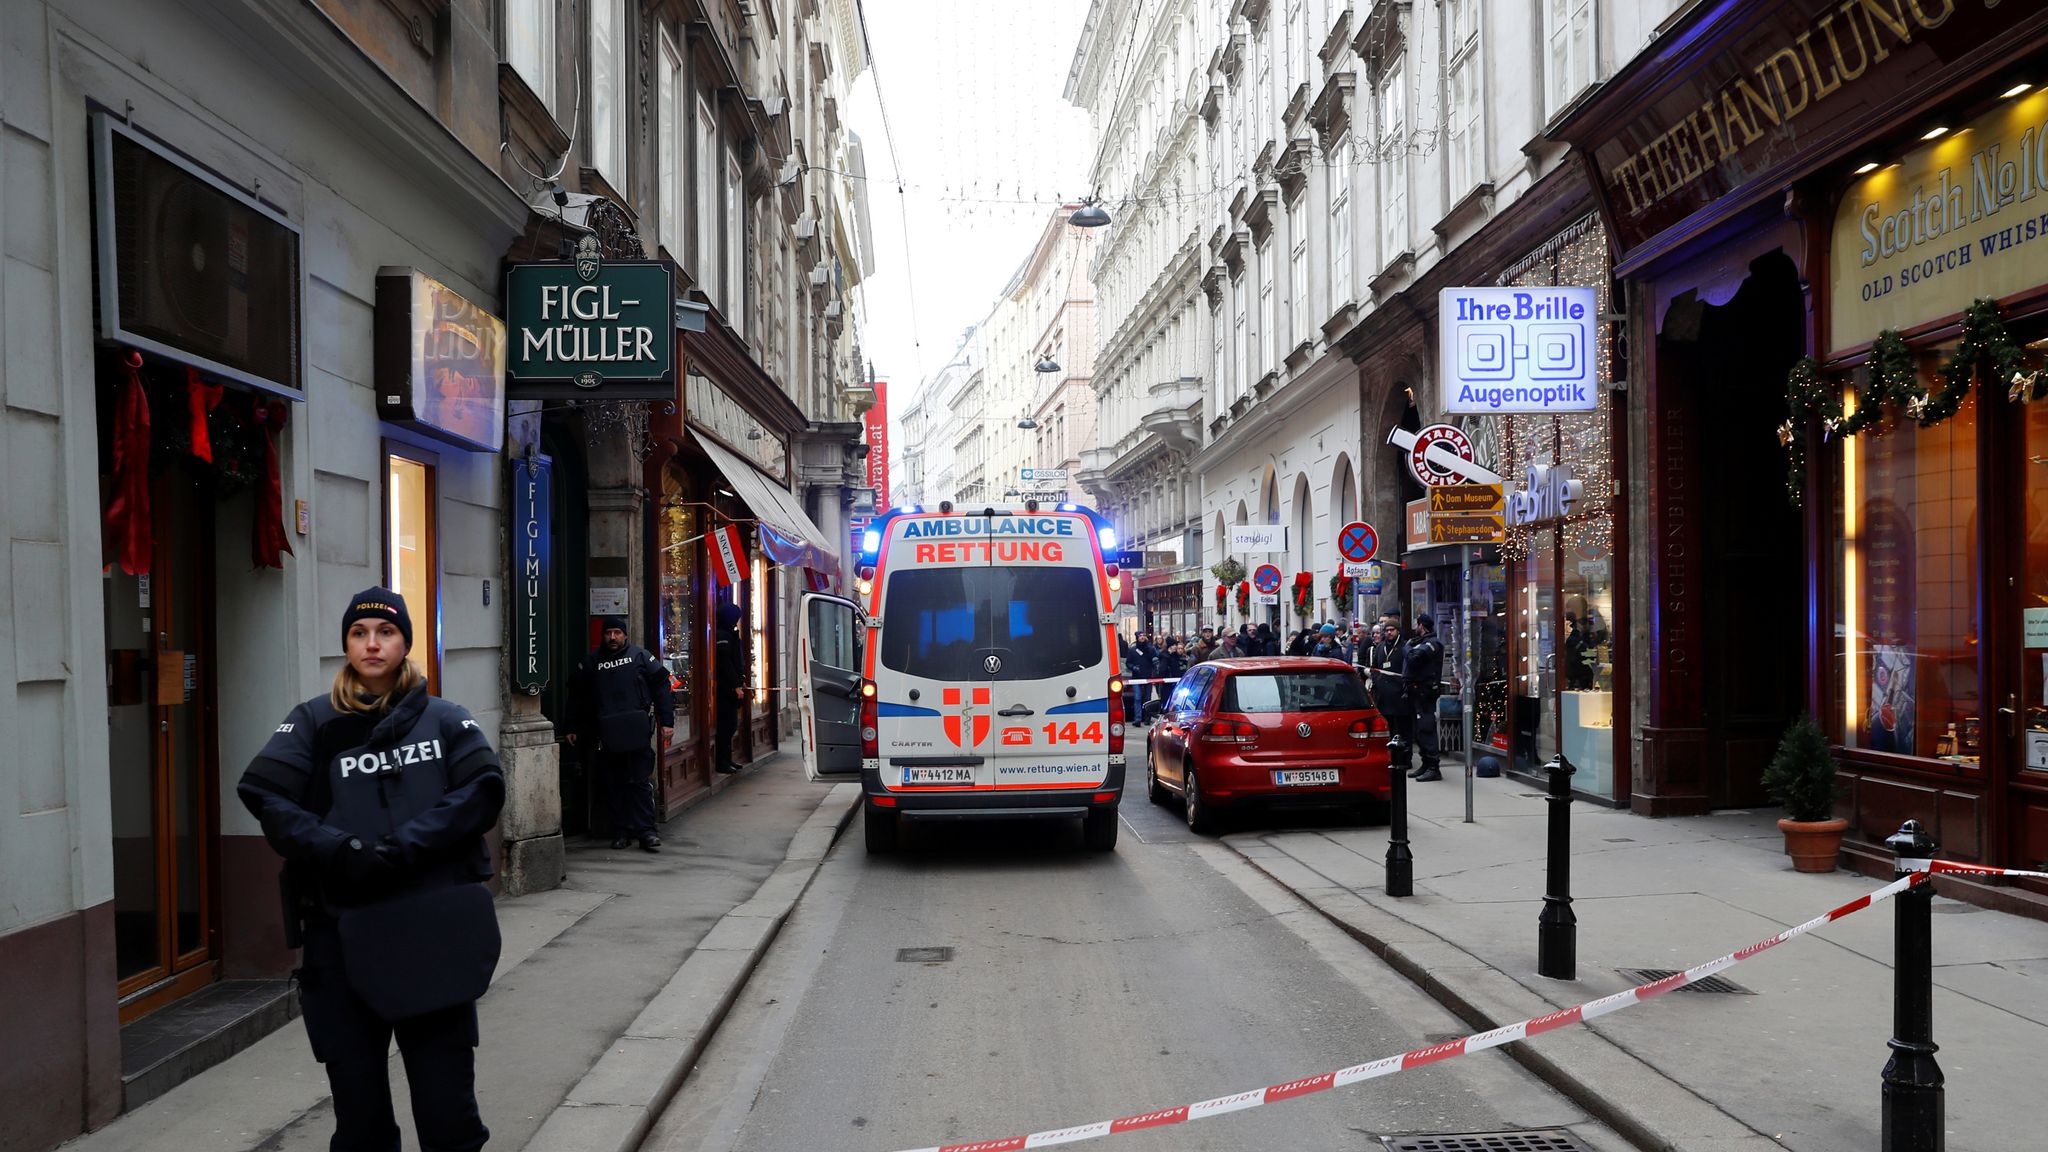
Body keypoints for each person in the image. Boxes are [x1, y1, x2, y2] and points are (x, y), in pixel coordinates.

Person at [237, 588, 502, 1152]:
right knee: (359, 1118)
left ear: (405, 641)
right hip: (341, 937)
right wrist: (344, 851)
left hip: (433, 932)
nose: (372, 644)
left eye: (385, 632)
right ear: (346, 644)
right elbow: (267, 798)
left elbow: (481, 792)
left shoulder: (447, 719)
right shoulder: (313, 721)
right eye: (360, 634)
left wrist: (402, 848)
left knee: (447, 1111)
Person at [569, 615, 674, 850]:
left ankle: (646, 832)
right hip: (606, 735)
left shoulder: (640, 656)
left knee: (639, 782)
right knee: (614, 785)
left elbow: (662, 685)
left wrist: (667, 721)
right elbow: (577, 696)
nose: (612, 637)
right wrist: (572, 726)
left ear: (625, 635)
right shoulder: (592, 662)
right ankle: (621, 831)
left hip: (637, 732)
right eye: (608, 633)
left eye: (617, 632)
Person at [1365, 616, 1413, 775]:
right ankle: (1390, 757)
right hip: (1384, 696)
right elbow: (1377, 667)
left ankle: (1406, 758)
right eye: (1386, 630)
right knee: (1389, 728)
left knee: (1403, 729)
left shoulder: (1405, 646)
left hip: (1400, 696)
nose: (1388, 633)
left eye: (1391, 630)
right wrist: (1377, 680)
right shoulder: (1380, 647)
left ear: (1398, 630)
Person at [1405, 614, 1447, 782]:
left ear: (1422, 626)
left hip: (1426, 692)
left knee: (1426, 728)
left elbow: (1413, 659)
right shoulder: (1420, 642)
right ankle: (1425, 763)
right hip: (1417, 691)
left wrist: (1408, 648)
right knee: (1419, 731)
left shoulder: (1432, 644)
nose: (1416, 628)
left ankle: (1433, 767)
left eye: (1417, 625)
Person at [714, 601, 747, 774]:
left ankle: (726, 759)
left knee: (730, 726)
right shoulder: (722, 635)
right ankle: (721, 761)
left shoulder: (728, 634)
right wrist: (735, 685)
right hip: (724, 690)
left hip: (730, 687)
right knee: (726, 727)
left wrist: (740, 680)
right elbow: (725, 663)